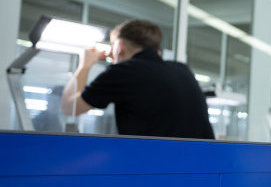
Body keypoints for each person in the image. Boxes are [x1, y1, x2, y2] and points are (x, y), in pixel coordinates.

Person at [61, 19, 214, 139]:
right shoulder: (182, 70)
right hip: (204, 169)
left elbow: (70, 107)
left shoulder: (124, 71)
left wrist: (85, 65)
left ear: (119, 47)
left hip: (155, 170)